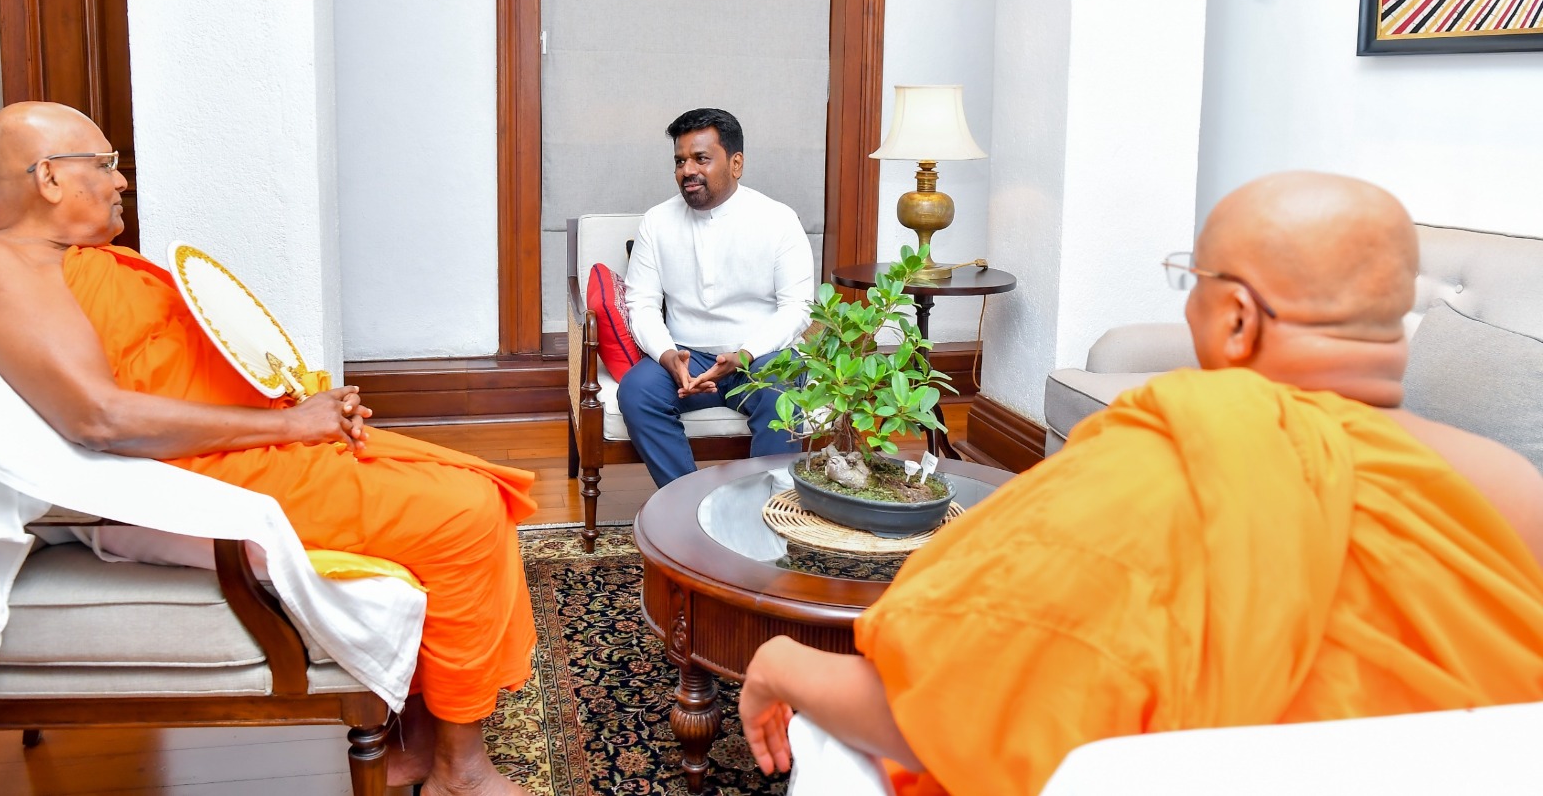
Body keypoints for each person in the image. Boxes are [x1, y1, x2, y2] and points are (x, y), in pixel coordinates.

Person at [737, 171, 1543, 796]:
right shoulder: (1512, 492)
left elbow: (937, 714)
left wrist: (778, 661)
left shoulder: (1141, 477)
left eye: (1192, 280)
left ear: (1236, 317)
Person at [0, 102, 535, 796]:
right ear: (48, 177)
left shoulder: (70, 260)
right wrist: (292, 426)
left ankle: (418, 747)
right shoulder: (2, 268)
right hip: (190, 472)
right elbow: (100, 418)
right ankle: (461, 775)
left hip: (230, 442)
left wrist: (296, 402)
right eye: (104, 164)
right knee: (464, 514)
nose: (120, 180)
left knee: (463, 481)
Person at [618, 108, 814, 486]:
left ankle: (765, 505)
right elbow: (641, 303)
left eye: (701, 158)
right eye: (680, 161)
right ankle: (687, 500)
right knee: (637, 392)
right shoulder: (657, 222)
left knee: (779, 393)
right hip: (687, 358)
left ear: (736, 163)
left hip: (762, 358)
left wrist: (746, 354)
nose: (687, 170)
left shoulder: (778, 220)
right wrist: (667, 356)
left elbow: (798, 308)